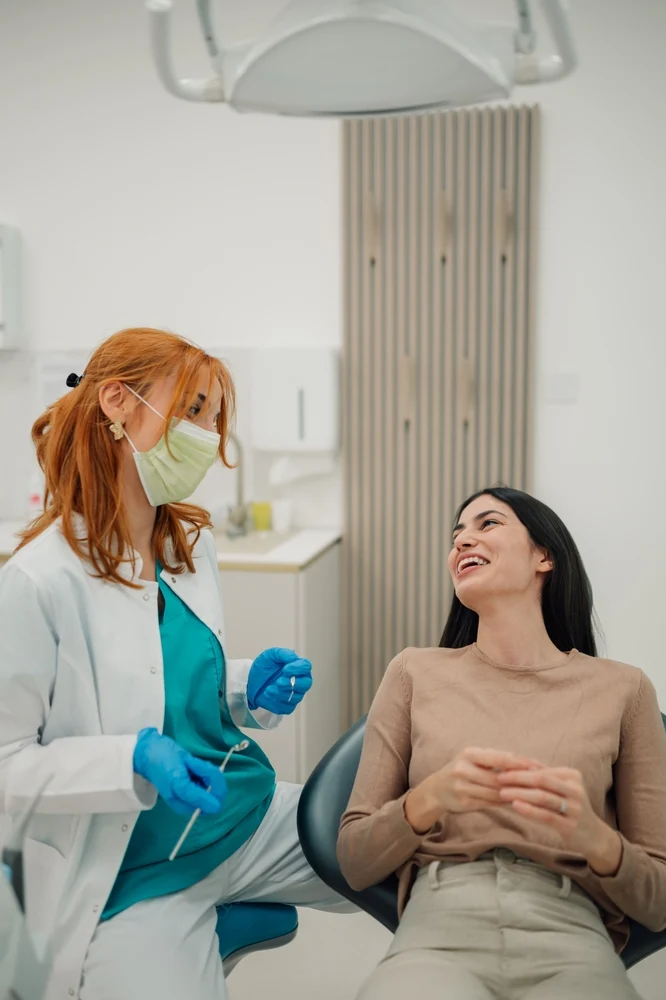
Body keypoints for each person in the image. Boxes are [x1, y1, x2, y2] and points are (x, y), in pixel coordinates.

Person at [0, 327, 352, 1000]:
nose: (206, 436)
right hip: (133, 868)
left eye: (214, 419)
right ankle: (205, 927)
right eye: (193, 410)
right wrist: (130, 759)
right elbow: (8, 763)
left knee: (409, 855)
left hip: (241, 815)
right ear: (117, 403)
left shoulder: (188, 542)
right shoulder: (40, 581)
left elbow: (159, 677)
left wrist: (247, 688)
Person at [337, 486, 666, 1000]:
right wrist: (430, 799)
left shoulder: (625, 689)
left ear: (544, 556)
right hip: (438, 926)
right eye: (456, 534)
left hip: (573, 931)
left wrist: (593, 837)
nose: (463, 539)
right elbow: (354, 860)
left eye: (487, 524)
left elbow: (659, 901)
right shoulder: (413, 672)